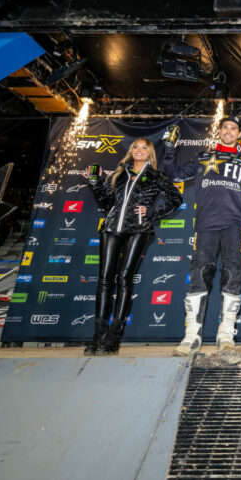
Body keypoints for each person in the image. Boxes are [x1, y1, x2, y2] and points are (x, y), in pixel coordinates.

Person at [161, 116, 241, 354]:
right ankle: (192, 336)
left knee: (232, 275)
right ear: (219, 131)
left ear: (239, 134)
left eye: (233, 128)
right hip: (206, 223)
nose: (229, 131)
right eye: (225, 127)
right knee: (199, 274)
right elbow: (174, 176)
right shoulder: (202, 156)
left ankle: (226, 335)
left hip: (235, 223)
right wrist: (169, 151)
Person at [83, 137, 182, 355]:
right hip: (111, 228)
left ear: (150, 153)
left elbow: (176, 199)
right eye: (135, 146)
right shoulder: (118, 174)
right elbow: (106, 203)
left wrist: (152, 212)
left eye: (144, 147)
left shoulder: (157, 176)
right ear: (131, 151)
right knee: (104, 280)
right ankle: (97, 338)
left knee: (125, 279)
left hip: (138, 230)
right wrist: (95, 183)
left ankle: (113, 339)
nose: (139, 149)